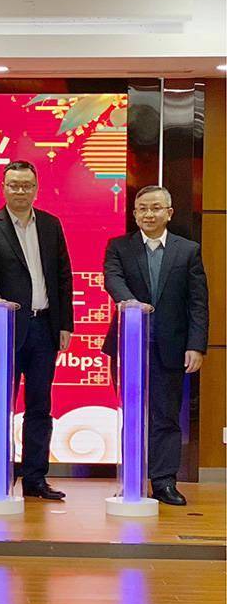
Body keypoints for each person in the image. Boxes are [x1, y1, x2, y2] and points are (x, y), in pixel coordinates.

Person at [0, 159, 74, 500]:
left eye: (26, 185)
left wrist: (65, 323)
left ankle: (35, 479)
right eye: (14, 185)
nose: (20, 191)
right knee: (3, 405)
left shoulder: (50, 225)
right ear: (3, 188)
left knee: (40, 407)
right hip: (7, 328)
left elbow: (63, 276)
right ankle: (1, 476)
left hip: (45, 326)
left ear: (36, 188)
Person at [102, 185, 209, 506]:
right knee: (133, 414)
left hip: (171, 348)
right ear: (135, 213)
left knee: (166, 416)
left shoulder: (187, 250)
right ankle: (132, 479)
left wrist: (196, 345)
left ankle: (164, 482)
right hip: (128, 345)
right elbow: (113, 279)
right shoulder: (119, 246)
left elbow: (198, 302)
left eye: (155, 208)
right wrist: (131, 303)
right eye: (142, 209)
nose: (149, 214)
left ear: (169, 213)